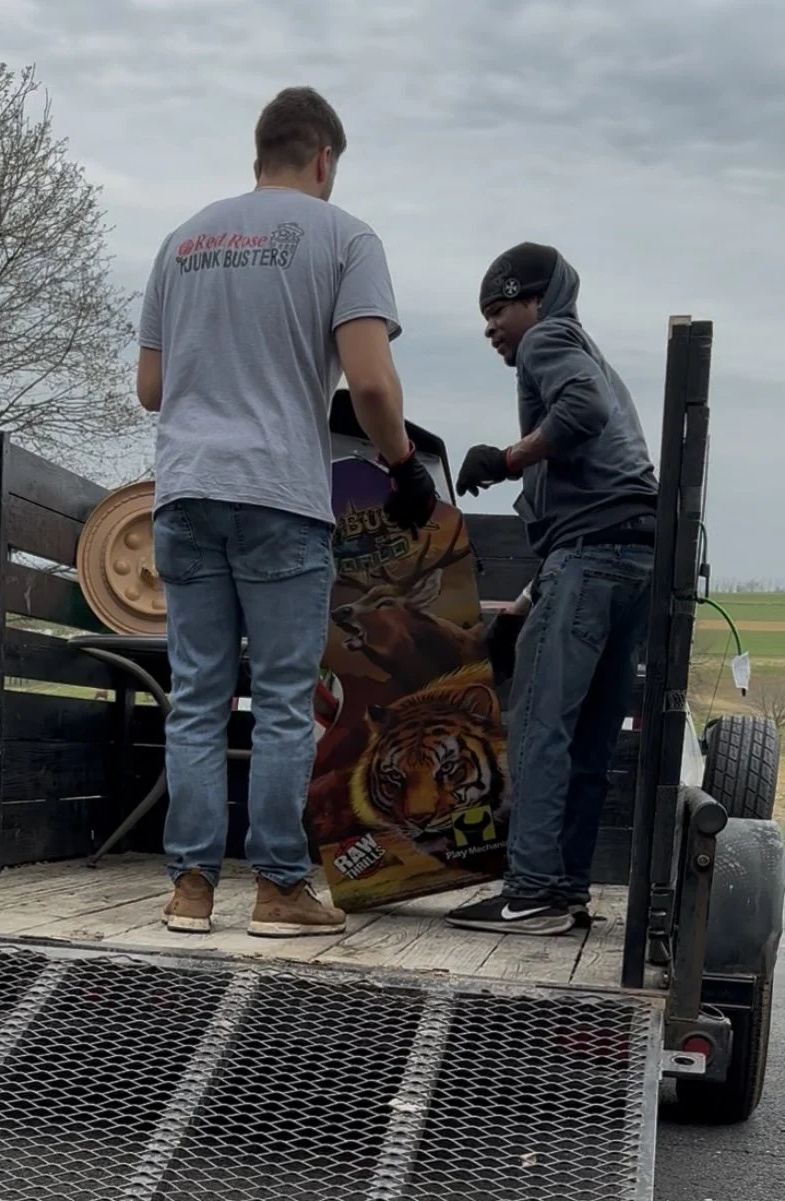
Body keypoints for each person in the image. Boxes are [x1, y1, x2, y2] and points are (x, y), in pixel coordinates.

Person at [136, 86, 436, 937]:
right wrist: (401, 464)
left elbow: (150, 389)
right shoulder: (345, 238)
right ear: (323, 159)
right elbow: (371, 383)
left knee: (194, 696)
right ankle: (275, 890)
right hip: (278, 495)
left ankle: (189, 891)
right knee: (278, 701)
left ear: (258, 155)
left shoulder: (181, 239)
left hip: (186, 490)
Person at [451, 244, 658, 935]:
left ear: (534, 300)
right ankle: (565, 890)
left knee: (540, 728)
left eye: (497, 309)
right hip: (629, 564)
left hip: (591, 561)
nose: (490, 328)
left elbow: (581, 412)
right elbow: (601, 501)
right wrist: (522, 605)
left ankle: (530, 892)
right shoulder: (585, 348)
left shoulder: (549, 337)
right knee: (590, 737)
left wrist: (506, 459)